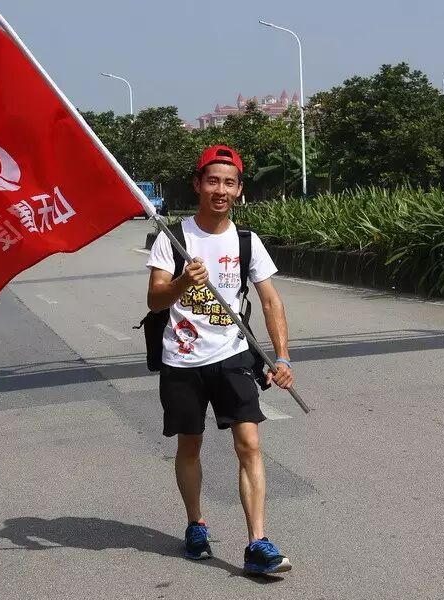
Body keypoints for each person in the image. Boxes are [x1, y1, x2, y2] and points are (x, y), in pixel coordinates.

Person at [146, 145, 294, 574]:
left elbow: (270, 301)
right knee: (189, 445)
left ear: (239, 189)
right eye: (213, 181)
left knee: (249, 444)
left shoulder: (247, 241)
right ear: (198, 184)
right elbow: (155, 300)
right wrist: (182, 282)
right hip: (182, 361)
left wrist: (282, 357)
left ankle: (257, 543)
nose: (221, 190)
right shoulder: (173, 238)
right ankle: (196, 525)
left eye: (230, 183)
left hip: (233, 357)